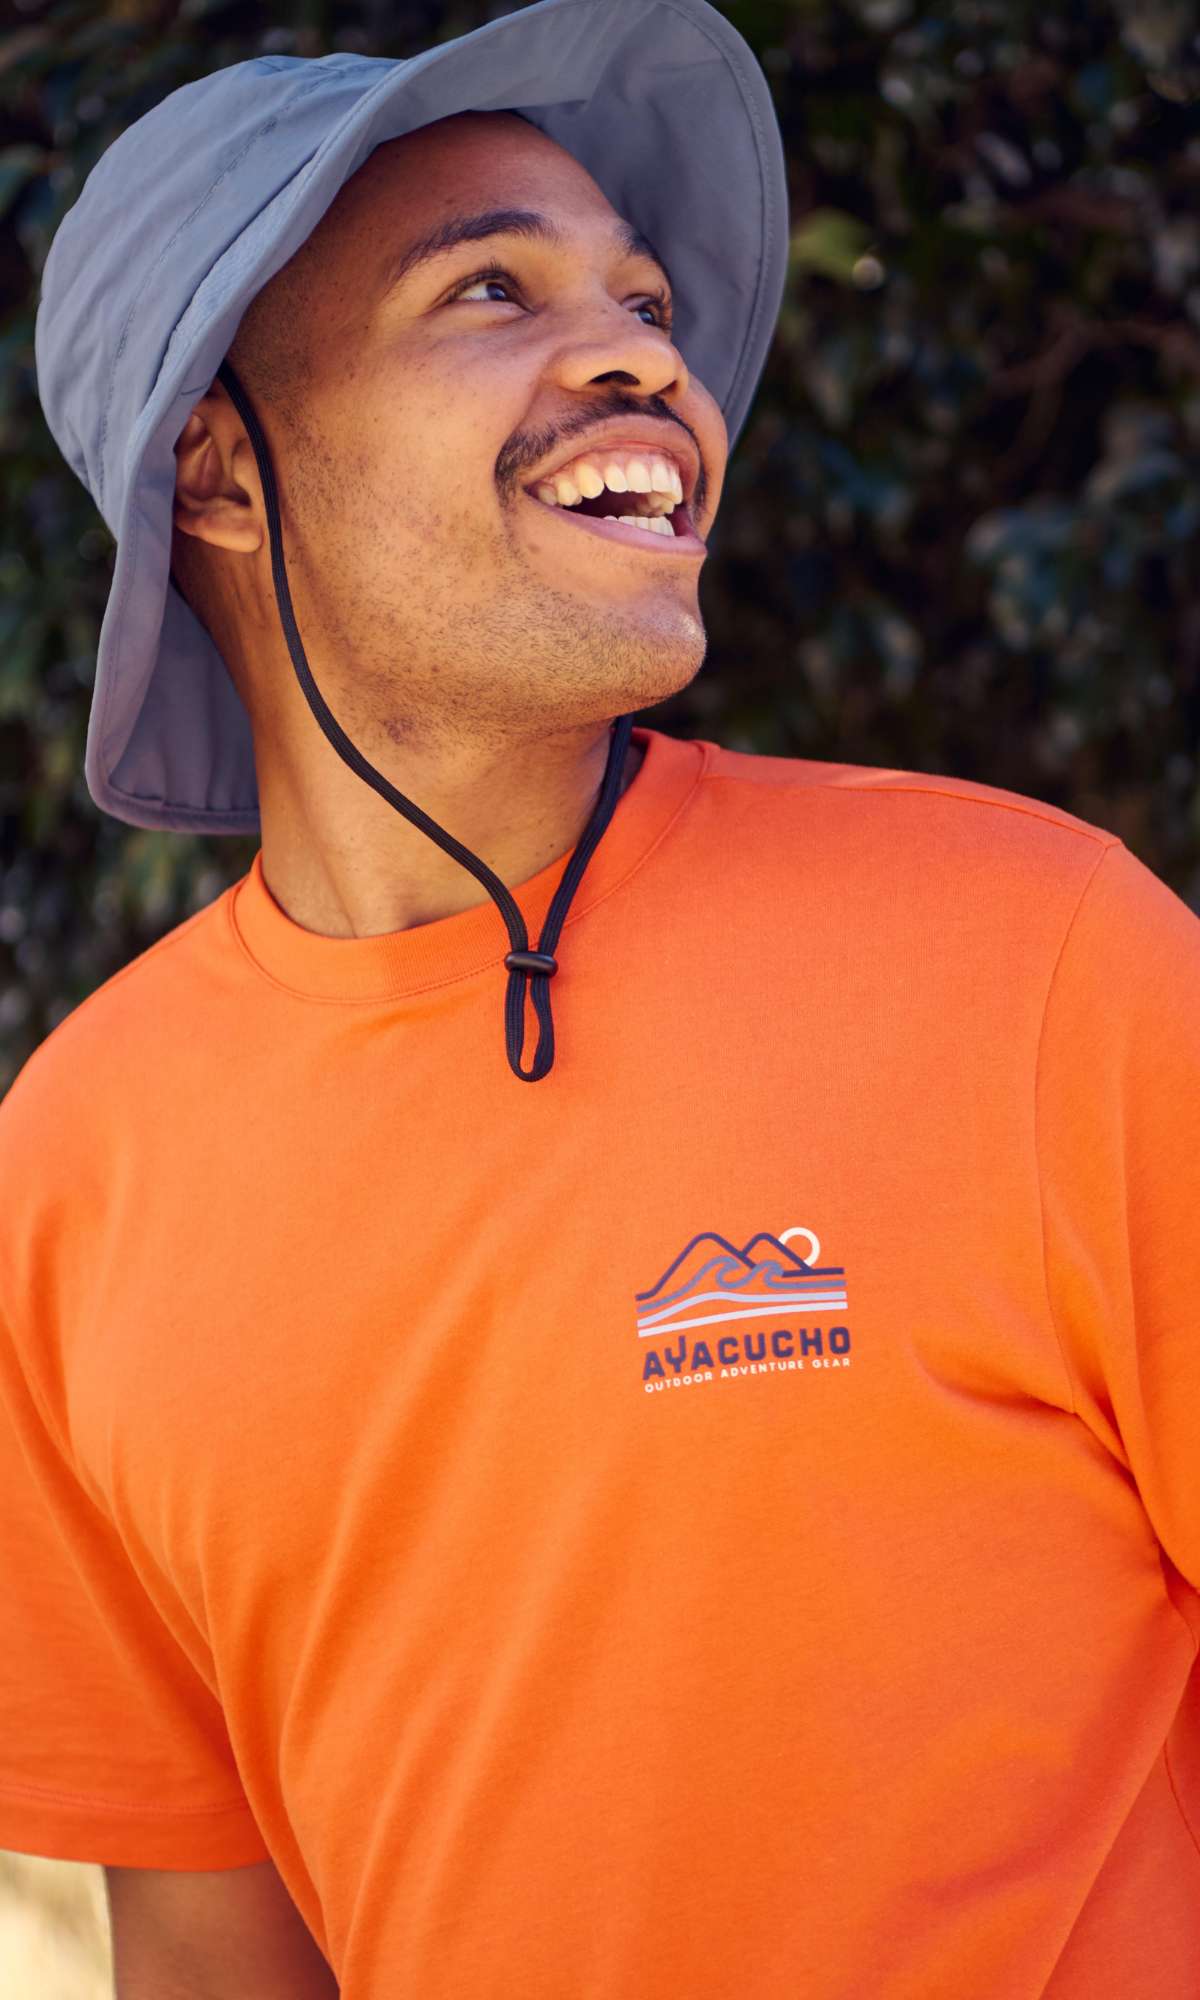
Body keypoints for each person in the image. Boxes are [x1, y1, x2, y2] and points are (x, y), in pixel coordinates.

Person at [2, 5, 1199, 1997]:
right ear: (217, 470)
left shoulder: (1044, 958)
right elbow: (211, 1953)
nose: (646, 356)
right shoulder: (70, 1172)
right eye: (489, 288)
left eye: (642, 299)